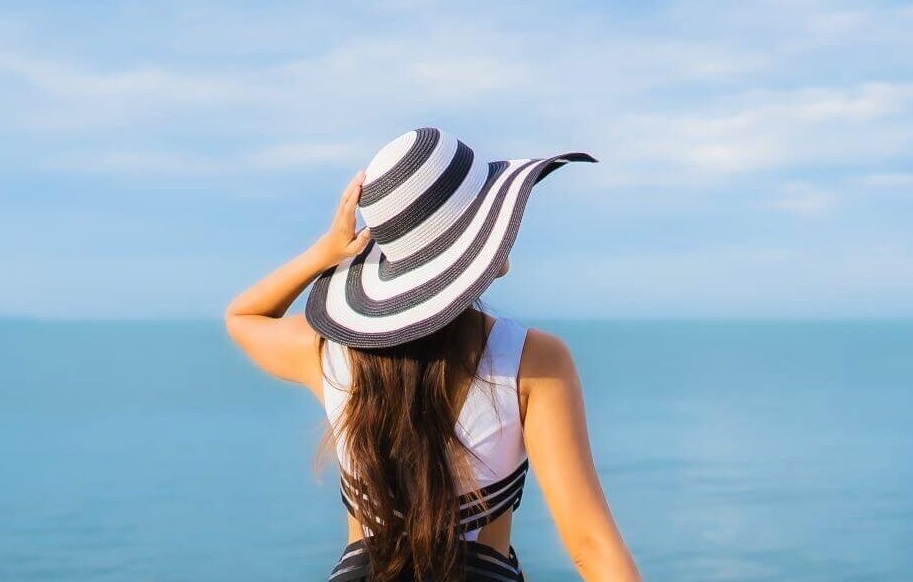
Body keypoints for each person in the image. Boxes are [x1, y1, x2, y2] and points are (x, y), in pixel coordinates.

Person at [225, 128, 641, 581]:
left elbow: (244, 318)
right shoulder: (531, 362)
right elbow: (590, 548)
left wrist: (324, 254)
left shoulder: (329, 353)